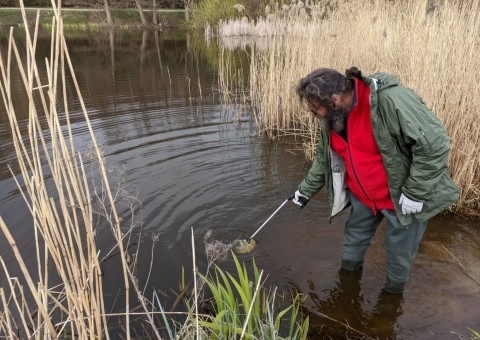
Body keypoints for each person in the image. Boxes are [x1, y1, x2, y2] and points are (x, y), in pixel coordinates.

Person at [292, 67, 459, 294]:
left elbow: (436, 146)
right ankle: (347, 283)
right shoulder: (333, 119)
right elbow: (324, 159)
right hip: (363, 197)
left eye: (315, 110)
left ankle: (391, 299)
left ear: (335, 99)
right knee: (353, 238)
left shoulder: (391, 101)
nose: (315, 115)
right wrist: (305, 191)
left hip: (402, 199)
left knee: (398, 252)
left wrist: (415, 192)